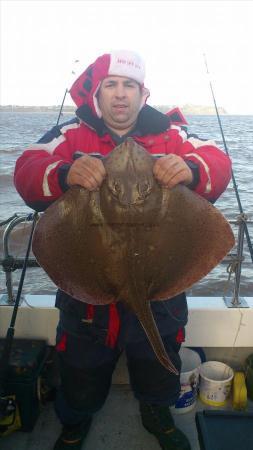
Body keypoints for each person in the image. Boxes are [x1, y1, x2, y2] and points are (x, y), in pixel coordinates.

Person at [14, 50, 231, 450]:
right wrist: (64, 173)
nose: (119, 94)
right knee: (81, 365)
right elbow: (26, 170)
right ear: (97, 93)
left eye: (128, 85)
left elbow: (219, 160)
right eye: (110, 85)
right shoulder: (70, 135)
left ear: (143, 94)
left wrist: (193, 168)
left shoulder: (173, 135)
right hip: (88, 291)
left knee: (157, 360)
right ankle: (76, 420)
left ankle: (156, 411)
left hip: (159, 288)